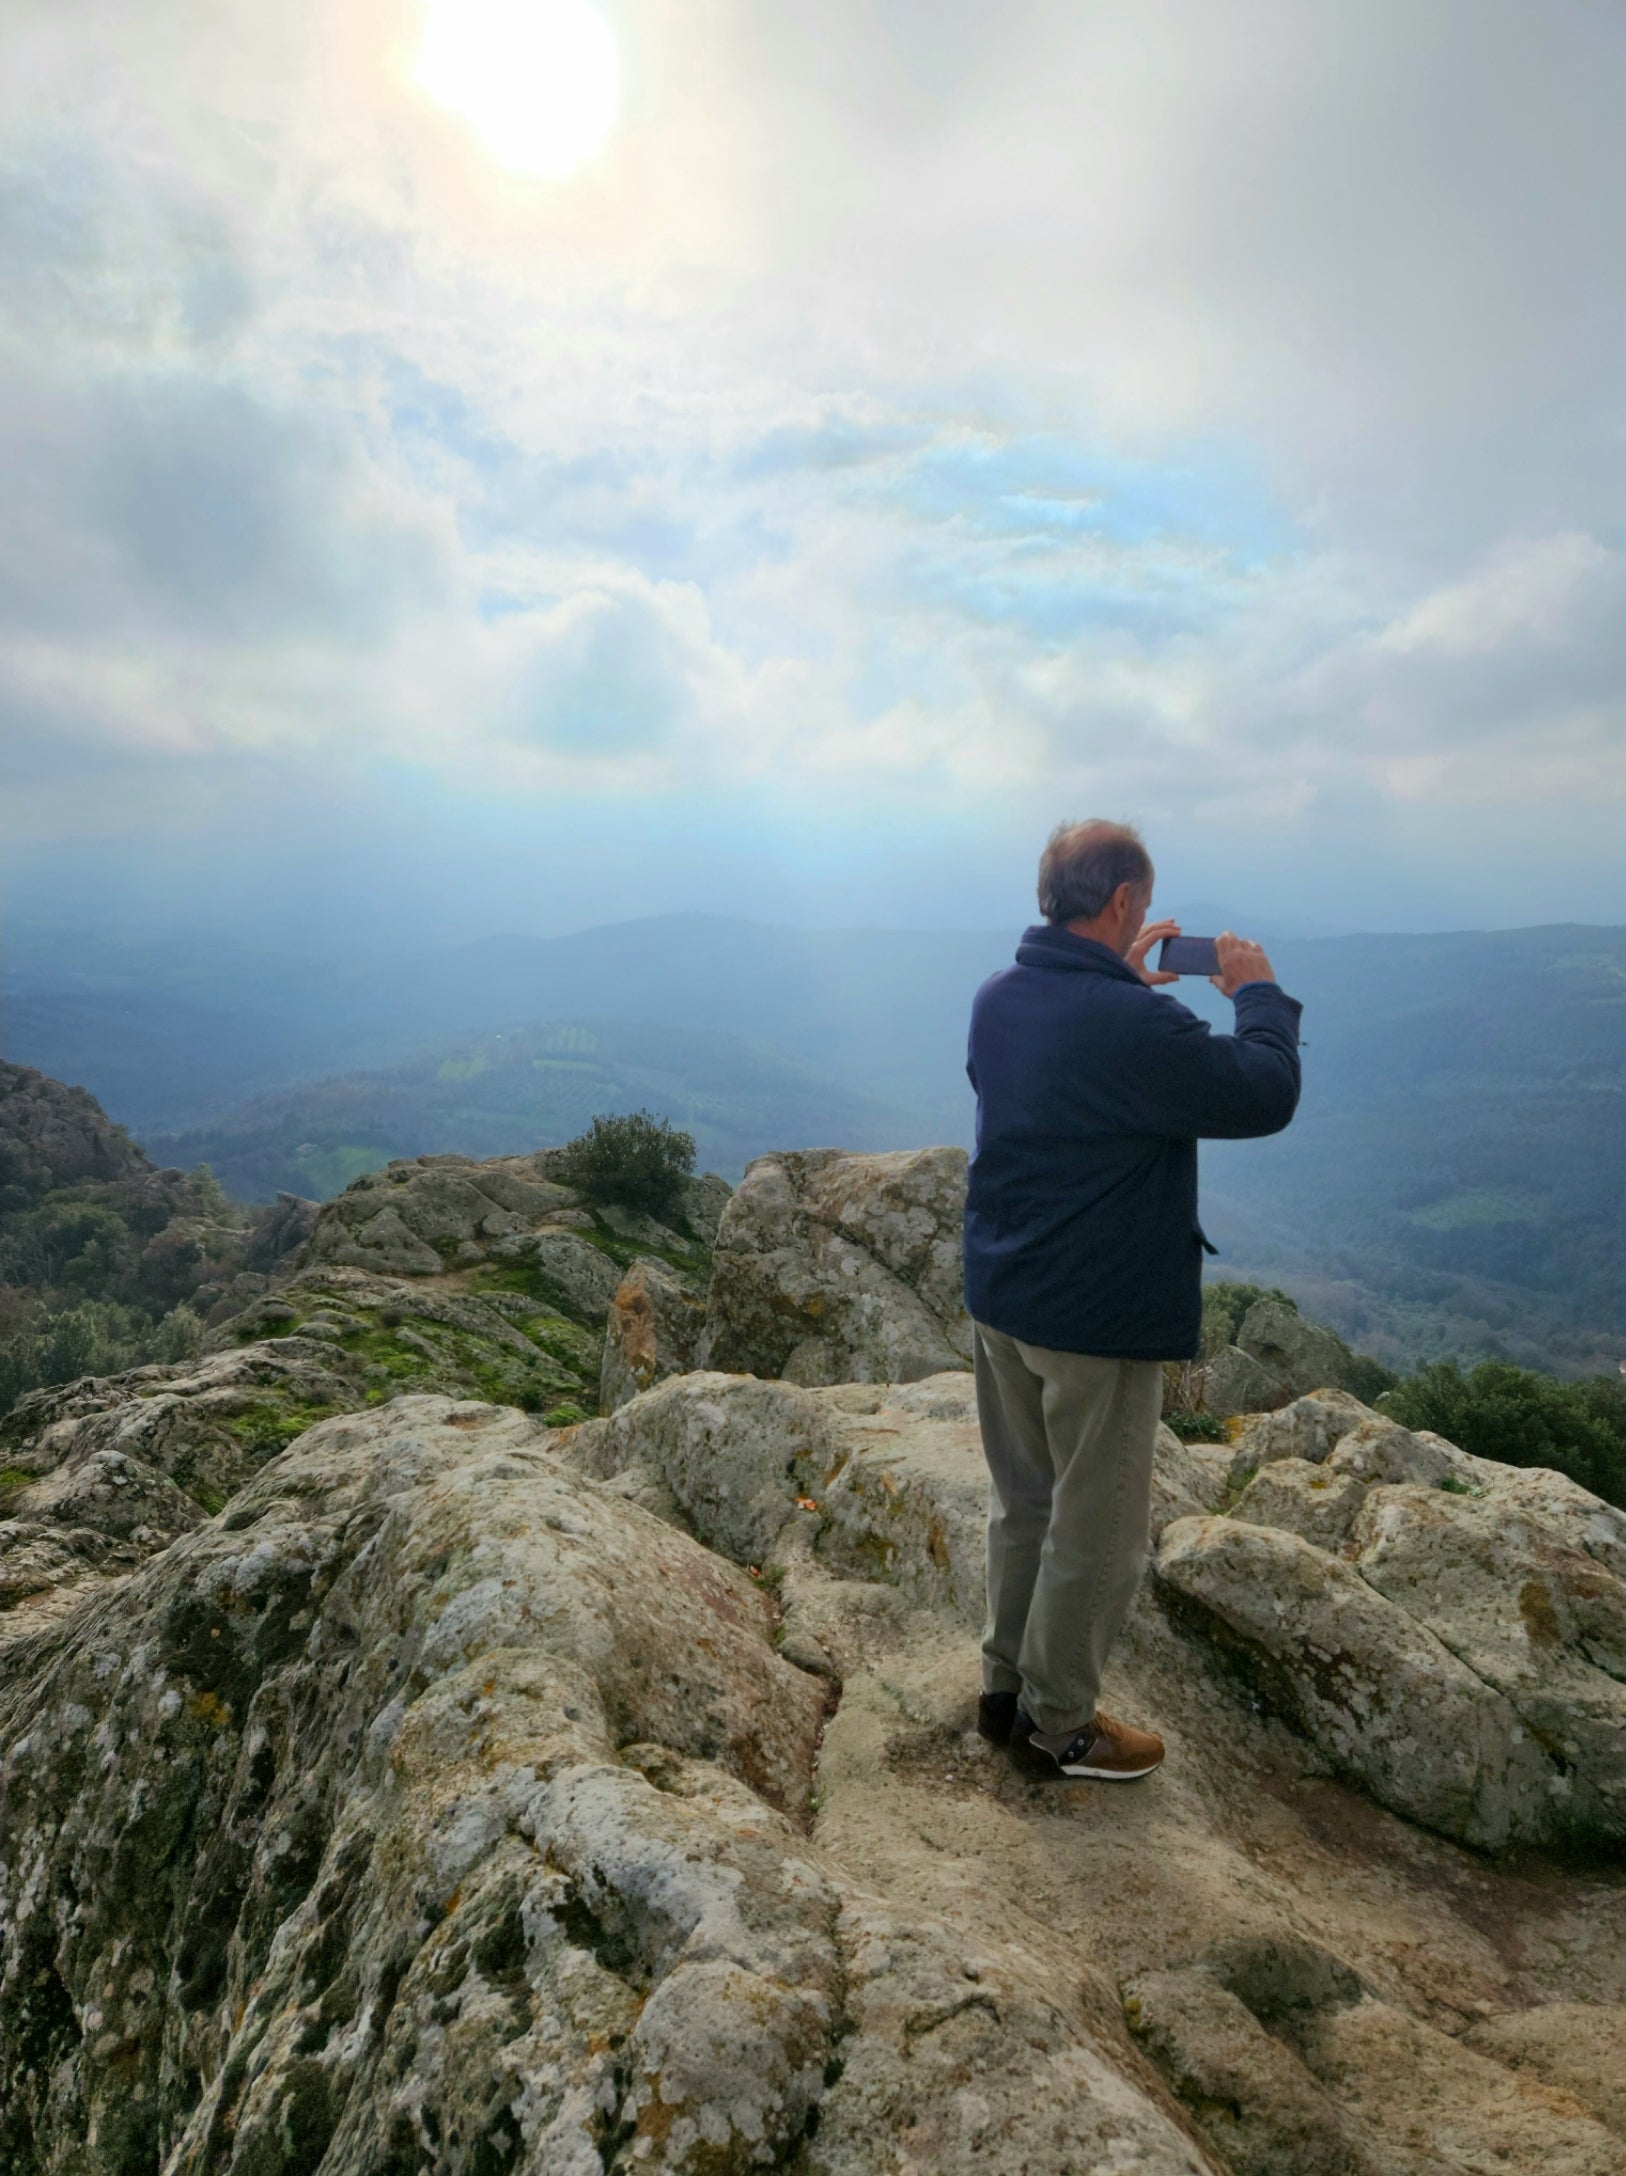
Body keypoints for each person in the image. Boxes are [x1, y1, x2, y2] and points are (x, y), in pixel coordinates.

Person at [963, 820, 1302, 1781]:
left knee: (1022, 1502)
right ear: (1121, 904)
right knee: (1098, 1532)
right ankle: (1060, 1724)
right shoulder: (1135, 1029)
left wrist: (1124, 992)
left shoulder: (999, 997)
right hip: (1094, 1317)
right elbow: (1265, 1091)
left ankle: (1004, 1692)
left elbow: (1061, 1082)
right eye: (1142, 908)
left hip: (1003, 1296)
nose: (1145, 919)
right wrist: (1258, 992)